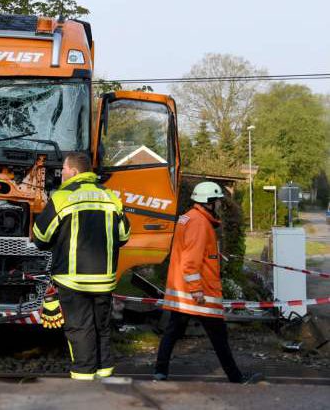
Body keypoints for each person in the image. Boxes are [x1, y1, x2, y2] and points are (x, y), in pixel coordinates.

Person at [33, 152, 130, 380]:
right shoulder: (110, 196)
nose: (62, 173)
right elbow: (124, 235)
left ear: (74, 172)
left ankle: (84, 384)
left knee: (80, 330)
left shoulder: (62, 197)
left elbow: (40, 237)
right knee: (102, 329)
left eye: (64, 169)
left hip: (72, 280)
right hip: (104, 280)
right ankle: (105, 377)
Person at [154, 181, 261, 384]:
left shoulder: (189, 218)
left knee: (173, 331)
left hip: (182, 291)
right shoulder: (200, 224)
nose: (220, 205)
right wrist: (196, 291)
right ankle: (236, 378)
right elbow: (191, 261)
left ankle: (160, 373)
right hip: (199, 295)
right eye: (218, 201)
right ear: (209, 202)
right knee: (219, 336)